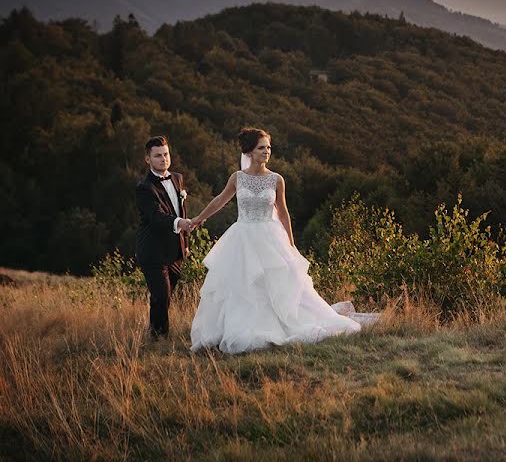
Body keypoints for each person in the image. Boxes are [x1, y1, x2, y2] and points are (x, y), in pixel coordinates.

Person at [188, 127, 377, 354]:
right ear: (249, 151)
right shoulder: (237, 178)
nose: (267, 152)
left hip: (270, 238)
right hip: (243, 238)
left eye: (268, 147)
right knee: (243, 286)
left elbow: (283, 212)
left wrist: (290, 243)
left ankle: (282, 325)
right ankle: (241, 328)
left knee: (278, 284)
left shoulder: (276, 179)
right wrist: (199, 218)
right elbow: (219, 200)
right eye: (261, 148)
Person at [135, 136, 192, 339]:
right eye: (158, 155)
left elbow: (181, 210)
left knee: (166, 297)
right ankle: (159, 338)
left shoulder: (177, 178)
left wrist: (184, 243)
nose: (163, 159)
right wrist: (180, 223)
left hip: (175, 250)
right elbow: (156, 216)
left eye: (166, 154)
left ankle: (155, 332)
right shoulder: (144, 188)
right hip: (152, 251)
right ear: (147, 159)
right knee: (161, 295)